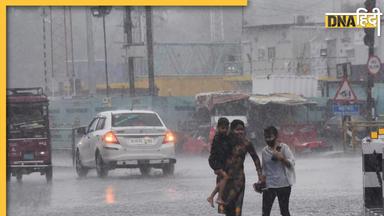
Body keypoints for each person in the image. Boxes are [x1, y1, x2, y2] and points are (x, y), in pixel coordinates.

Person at [221, 119, 263, 216]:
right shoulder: (225, 142)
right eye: (237, 129)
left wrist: (260, 176)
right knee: (228, 209)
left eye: (242, 129)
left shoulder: (246, 143)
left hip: (239, 180)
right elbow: (216, 157)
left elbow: (256, 159)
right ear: (231, 130)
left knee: (237, 209)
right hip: (225, 179)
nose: (240, 132)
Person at [261, 126, 296, 216]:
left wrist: (282, 159)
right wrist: (261, 181)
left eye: (270, 137)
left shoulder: (284, 148)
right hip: (269, 186)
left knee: (284, 211)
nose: (268, 139)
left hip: (284, 185)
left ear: (276, 136)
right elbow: (264, 168)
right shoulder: (264, 151)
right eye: (266, 137)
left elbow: (292, 164)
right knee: (265, 212)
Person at [208, 117, 231, 207]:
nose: (224, 130)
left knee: (222, 180)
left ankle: (211, 197)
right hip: (215, 162)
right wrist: (218, 167)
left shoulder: (225, 137)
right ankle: (219, 198)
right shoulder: (218, 138)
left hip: (218, 162)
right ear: (218, 127)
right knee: (225, 177)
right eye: (222, 128)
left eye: (226, 128)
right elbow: (220, 153)